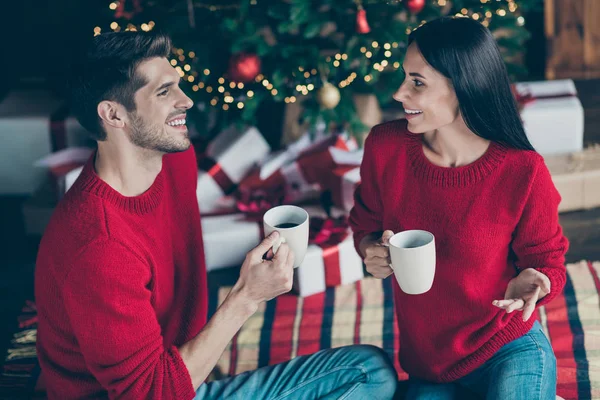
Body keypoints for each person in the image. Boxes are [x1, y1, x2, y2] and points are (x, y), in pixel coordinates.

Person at [34, 31, 398, 400]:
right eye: (164, 92)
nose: (186, 100)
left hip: (179, 373)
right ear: (113, 114)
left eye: (177, 85)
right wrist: (246, 297)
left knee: (370, 371)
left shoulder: (176, 161)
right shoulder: (101, 246)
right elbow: (151, 394)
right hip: (153, 393)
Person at [349, 16, 568, 400]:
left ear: (464, 86)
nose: (400, 93)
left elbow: (549, 261)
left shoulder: (523, 171)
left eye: (417, 82)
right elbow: (364, 222)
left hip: (509, 346)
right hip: (430, 366)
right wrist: (370, 250)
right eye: (405, 77)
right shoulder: (385, 148)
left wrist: (536, 282)